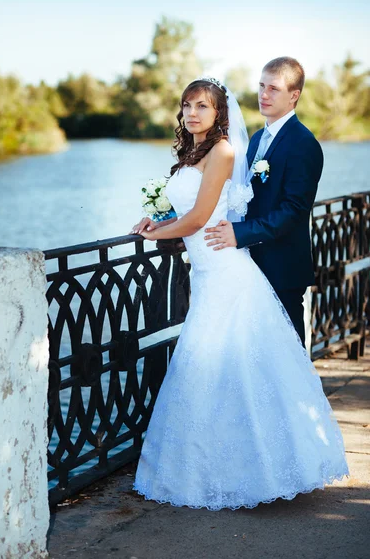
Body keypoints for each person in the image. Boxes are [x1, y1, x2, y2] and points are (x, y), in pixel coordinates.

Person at [129, 76, 348, 511]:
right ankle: (208, 469)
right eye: (188, 105)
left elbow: (198, 220)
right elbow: (187, 210)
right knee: (214, 367)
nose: (193, 113)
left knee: (220, 364)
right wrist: (156, 219)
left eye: (203, 106)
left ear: (219, 113)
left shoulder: (225, 150)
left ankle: (258, 471)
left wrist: (162, 235)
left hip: (225, 269)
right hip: (209, 271)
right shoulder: (197, 151)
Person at [204, 57, 323, 345]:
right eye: (261, 86)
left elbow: (294, 210)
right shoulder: (257, 139)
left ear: (294, 95)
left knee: (288, 353)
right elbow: (238, 190)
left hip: (282, 268)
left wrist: (239, 234)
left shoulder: (304, 144)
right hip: (248, 266)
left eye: (274, 89)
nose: (263, 95)